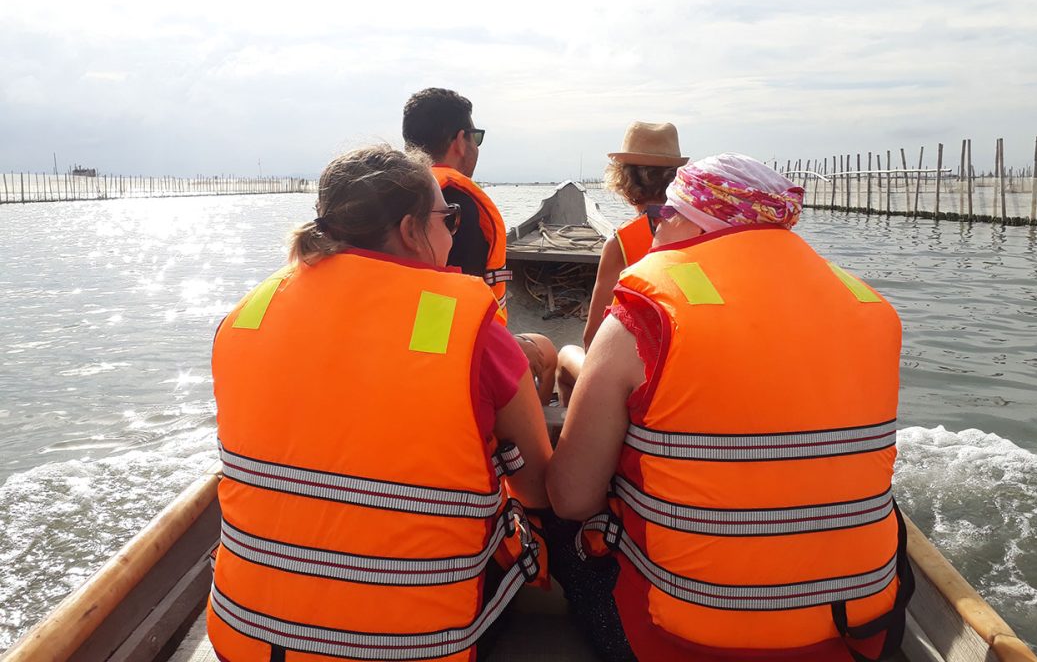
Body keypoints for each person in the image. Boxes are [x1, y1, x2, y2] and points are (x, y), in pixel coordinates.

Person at [547, 153, 914, 661]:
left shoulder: (649, 310)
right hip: (856, 632)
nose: (655, 227)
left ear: (696, 220)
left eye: (663, 215)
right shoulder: (869, 305)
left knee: (558, 524)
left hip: (686, 641)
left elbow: (572, 497)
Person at [207, 145, 554, 662]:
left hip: (246, 636)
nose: (453, 233)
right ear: (412, 230)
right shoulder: (470, 329)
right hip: (408, 646)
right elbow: (537, 488)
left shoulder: (248, 313)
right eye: (449, 219)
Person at [402, 87, 558, 404]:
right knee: (547, 351)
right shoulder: (459, 209)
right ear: (460, 141)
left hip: (394, 342)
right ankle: (519, 439)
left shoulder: (391, 197)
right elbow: (457, 312)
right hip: (451, 354)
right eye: (476, 137)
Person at [557, 121, 686, 403]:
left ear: (624, 181)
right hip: (688, 373)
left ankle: (573, 435)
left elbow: (592, 340)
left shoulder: (621, 243)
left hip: (640, 381)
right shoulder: (703, 230)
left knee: (566, 358)